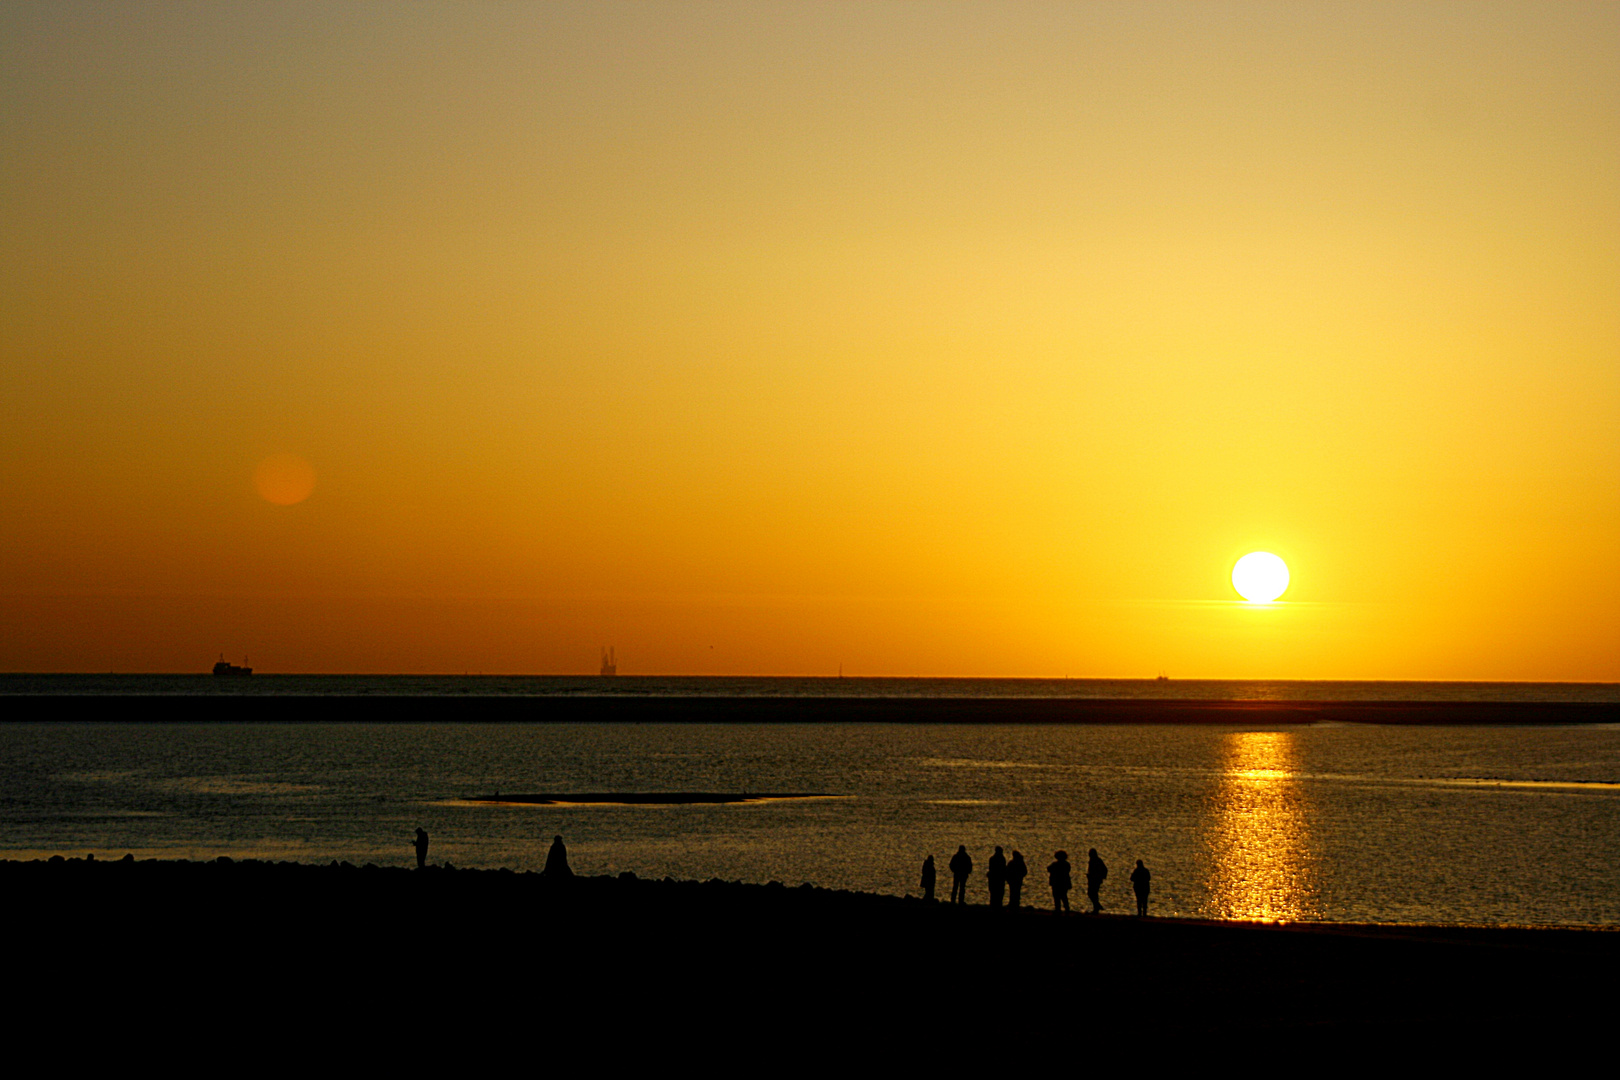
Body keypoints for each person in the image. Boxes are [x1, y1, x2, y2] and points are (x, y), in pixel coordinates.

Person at [1086, 848, 1108, 914]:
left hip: (1095, 880)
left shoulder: (1097, 860)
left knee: (1092, 893)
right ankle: (1097, 906)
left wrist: (1101, 876)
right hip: (1092, 879)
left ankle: (1097, 906)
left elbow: (1104, 869)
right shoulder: (1092, 860)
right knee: (1092, 893)